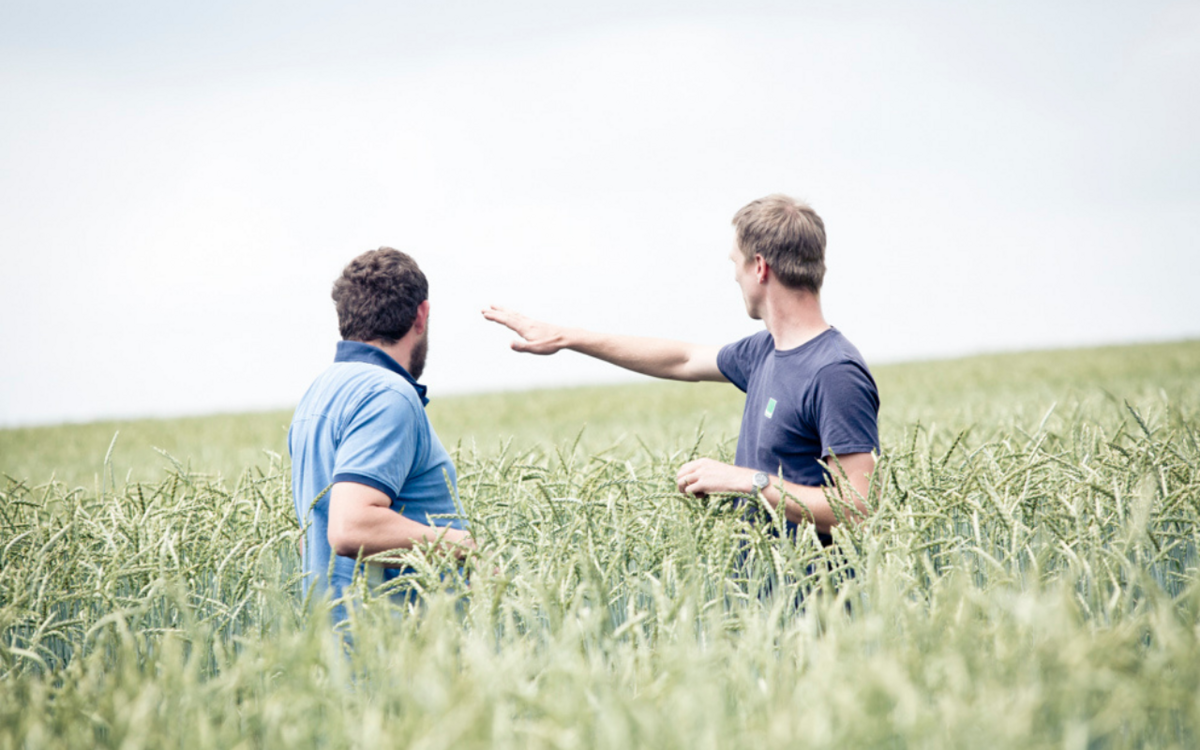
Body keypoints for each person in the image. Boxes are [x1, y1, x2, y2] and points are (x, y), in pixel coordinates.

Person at [482, 194, 879, 545]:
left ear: (759, 267)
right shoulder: (764, 352)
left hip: (815, 610)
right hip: (762, 602)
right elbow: (682, 359)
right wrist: (567, 337)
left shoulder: (833, 371)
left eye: (735, 263)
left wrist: (747, 481)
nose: (733, 275)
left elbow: (857, 507)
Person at [289, 247, 474, 623]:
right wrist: (463, 545)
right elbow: (350, 526)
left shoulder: (320, 392)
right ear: (421, 314)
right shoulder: (388, 394)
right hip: (391, 647)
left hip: (337, 639)